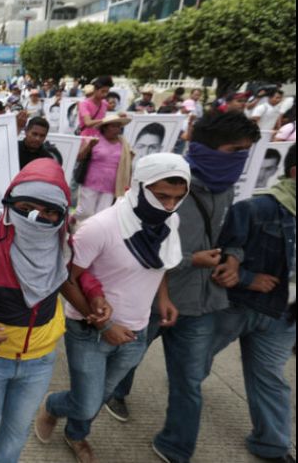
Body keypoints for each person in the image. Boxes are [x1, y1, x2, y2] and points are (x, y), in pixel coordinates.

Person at [107, 111, 260, 463]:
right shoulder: (164, 184)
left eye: (245, 152)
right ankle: (111, 395)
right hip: (148, 301)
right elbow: (137, 244)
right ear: (207, 149)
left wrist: (232, 259)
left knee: (190, 382)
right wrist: (194, 260)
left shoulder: (226, 188)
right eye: (235, 150)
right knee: (124, 362)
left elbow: (228, 236)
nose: (241, 159)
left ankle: (176, 447)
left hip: (199, 305)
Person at [0, 158, 111, 463]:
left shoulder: (60, 241)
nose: (38, 219)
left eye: (50, 211)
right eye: (27, 208)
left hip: (40, 359)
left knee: (16, 430)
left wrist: (95, 294)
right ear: (9, 202)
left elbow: (73, 273)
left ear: (62, 215)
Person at [35, 153, 190, 463]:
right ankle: (53, 405)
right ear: (139, 185)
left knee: (100, 396)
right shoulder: (100, 227)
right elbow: (66, 279)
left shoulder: (169, 221)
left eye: (178, 197)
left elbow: (158, 262)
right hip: (89, 331)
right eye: (161, 196)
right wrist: (104, 325)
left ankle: (75, 435)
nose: (170, 205)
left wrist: (163, 298)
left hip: (137, 331)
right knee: (87, 403)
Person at [209, 144, 296, 463]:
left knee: (271, 379)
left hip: (283, 317)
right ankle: (121, 392)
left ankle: (272, 445)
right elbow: (219, 257)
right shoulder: (255, 209)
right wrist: (248, 278)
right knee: (193, 363)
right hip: (238, 307)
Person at [74, 114, 134, 222]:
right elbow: (79, 157)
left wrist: (128, 182)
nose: (117, 129)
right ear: (105, 127)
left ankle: (92, 235)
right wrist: (89, 146)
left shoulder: (124, 144)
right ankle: (74, 224)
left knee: (101, 215)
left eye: (118, 126)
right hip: (91, 182)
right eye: (113, 126)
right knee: (85, 211)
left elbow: (127, 164)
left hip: (110, 185)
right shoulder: (95, 140)